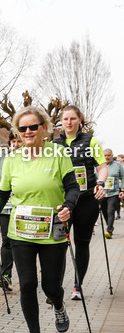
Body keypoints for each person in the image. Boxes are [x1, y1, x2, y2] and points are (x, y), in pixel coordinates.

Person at [0, 107, 79, 333]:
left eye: (32, 127)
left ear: (43, 128)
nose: (27, 131)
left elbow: (72, 187)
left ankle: (58, 304)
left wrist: (68, 206)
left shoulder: (58, 152)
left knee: (51, 286)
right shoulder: (12, 159)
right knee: (27, 284)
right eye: (22, 128)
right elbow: (3, 193)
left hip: (53, 230)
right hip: (21, 231)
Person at [56, 105, 108, 300]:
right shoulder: (54, 144)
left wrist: (101, 183)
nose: (68, 122)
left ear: (79, 120)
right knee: (59, 244)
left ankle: (78, 285)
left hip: (86, 201)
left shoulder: (89, 141)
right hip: (63, 203)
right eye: (65, 119)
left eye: (72, 118)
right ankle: (56, 288)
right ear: (61, 121)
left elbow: (102, 167)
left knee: (81, 243)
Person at [0, 129, 23, 292]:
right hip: (5, 207)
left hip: (23, 207)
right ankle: (5, 275)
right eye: (13, 142)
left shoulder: (30, 157)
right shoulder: (1, 158)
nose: (15, 144)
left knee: (22, 243)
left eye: (19, 141)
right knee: (7, 241)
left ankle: (26, 274)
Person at [100, 149, 124, 238]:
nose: (107, 157)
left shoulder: (117, 165)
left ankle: (109, 230)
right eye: (105, 155)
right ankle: (110, 225)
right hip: (102, 193)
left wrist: (122, 190)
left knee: (110, 210)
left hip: (113, 193)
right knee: (104, 211)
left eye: (109, 155)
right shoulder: (99, 164)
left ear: (112, 155)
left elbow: (123, 177)